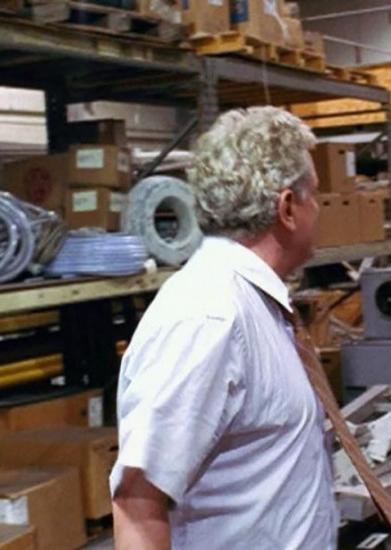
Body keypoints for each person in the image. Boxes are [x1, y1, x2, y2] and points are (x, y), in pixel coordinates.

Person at [110, 106, 338, 549]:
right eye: (314, 195)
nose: (319, 209)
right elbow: (138, 502)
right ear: (287, 208)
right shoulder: (209, 317)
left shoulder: (250, 302)